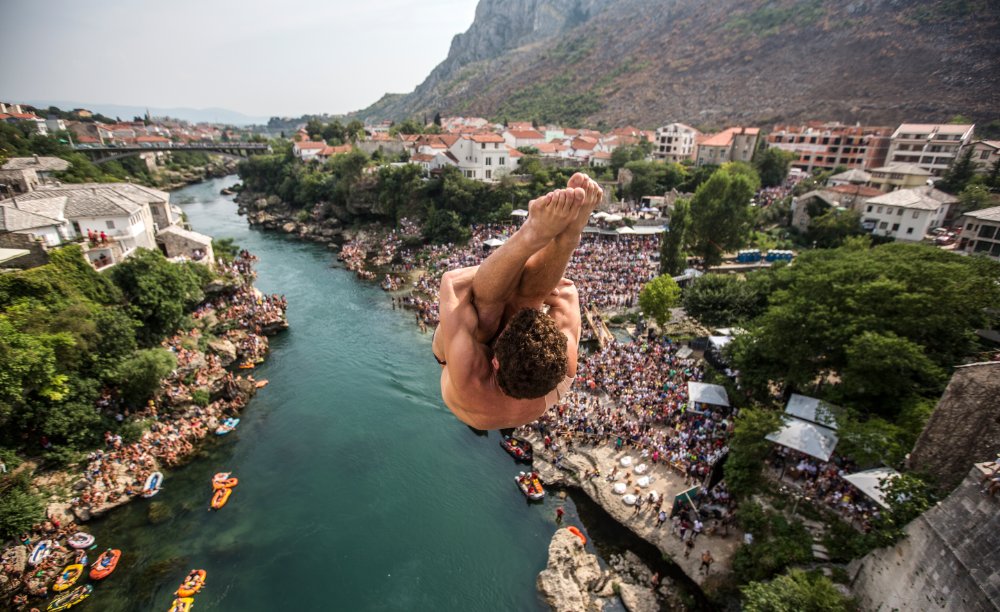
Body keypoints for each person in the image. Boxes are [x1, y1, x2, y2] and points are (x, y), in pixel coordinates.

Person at [433, 174, 603, 429]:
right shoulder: (563, 364)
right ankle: (569, 237)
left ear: (494, 361)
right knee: (528, 301)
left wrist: (521, 257)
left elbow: (454, 284)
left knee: (486, 315)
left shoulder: (471, 379)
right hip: (515, 377)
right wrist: (528, 297)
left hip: (468, 389)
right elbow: (566, 290)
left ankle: (531, 234)